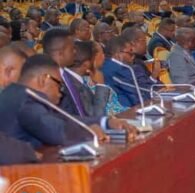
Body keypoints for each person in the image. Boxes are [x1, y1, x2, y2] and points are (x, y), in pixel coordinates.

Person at [0, 54, 136, 149]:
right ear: (43, 80)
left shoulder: (18, 94)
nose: (61, 91)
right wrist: (86, 131)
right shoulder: (26, 100)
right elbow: (57, 131)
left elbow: (66, 120)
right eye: (59, 84)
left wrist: (106, 122)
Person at [43, 29, 109, 120]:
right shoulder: (49, 80)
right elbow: (95, 115)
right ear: (60, 53)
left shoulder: (68, 77)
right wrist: (100, 86)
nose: (75, 52)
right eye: (72, 48)